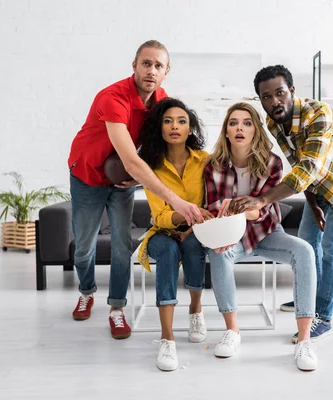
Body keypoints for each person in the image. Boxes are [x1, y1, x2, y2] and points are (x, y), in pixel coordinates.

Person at [67, 40, 205, 340]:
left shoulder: (161, 100)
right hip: (87, 176)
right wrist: (176, 200)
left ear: (166, 72)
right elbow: (131, 158)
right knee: (83, 246)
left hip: (122, 181)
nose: (151, 70)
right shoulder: (112, 98)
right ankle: (86, 291)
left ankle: (117, 309)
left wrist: (139, 177)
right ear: (134, 66)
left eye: (159, 65)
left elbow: (161, 144)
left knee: (121, 244)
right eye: (146, 63)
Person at [230, 65, 333, 343]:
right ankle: (308, 299)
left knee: (332, 246)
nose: (274, 102)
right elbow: (297, 163)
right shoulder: (273, 122)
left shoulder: (319, 114)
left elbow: (309, 167)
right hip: (317, 180)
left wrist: (262, 199)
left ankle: (322, 316)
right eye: (266, 97)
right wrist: (312, 201)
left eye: (280, 93)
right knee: (307, 241)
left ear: (292, 91)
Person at [204, 102, 318, 371]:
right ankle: (233, 331)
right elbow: (212, 206)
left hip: (266, 233)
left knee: (305, 251)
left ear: (255, 129)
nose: (240, 128)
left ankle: (304, 340)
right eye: (233, 123)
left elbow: (263, 212)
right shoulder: (213, 165)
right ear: (226, 131)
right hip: (230, 233)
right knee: (217, 253)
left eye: (246, 122)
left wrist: (242, 208)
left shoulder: (272, 163)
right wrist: (236, 214)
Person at [137, 98, 213, 372]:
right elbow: (160, 216)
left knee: (193, 245)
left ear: (190, 128)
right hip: (162, 233)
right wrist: (186, 215)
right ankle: (167, 338)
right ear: (160, 128)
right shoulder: (151, 166)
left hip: (197, 231)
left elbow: (211, 203)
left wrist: (192, 225)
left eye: (181, 121)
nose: (174, 126)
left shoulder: (205, 161)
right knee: (169, 251)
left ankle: (195, 310)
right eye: (168, 121)